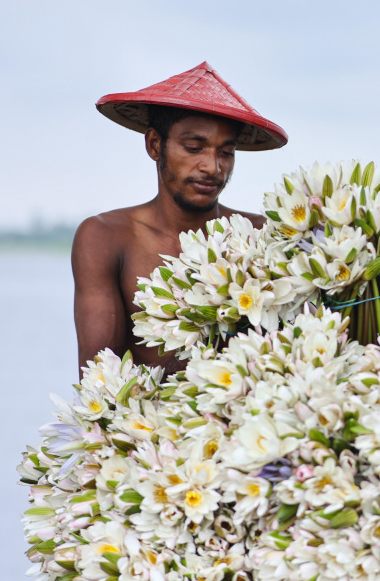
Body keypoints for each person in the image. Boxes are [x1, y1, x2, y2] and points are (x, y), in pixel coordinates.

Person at [72, 62, 288, 373]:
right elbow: (100, 378)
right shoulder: (105, 237)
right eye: (194, 148)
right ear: (155, 145)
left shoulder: (260, 235)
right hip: (150, 406)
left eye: (226, 152)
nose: (213, 167)